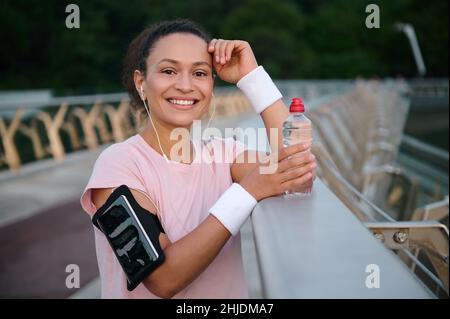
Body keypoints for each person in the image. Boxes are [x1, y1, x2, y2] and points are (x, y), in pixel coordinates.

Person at [80, 19, 316, 299]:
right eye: (169, 71)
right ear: (141, 82)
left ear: (211, 85)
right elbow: (162, 279)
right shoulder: (118, 165)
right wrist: (248, 191)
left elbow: (296, 172)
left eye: (200, 73)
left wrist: (252, 77)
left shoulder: (225, 154)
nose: (185, 85)